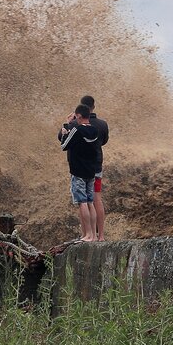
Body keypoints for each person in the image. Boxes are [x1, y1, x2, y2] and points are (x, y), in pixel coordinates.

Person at [59, 104, 101, 241]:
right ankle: (93, 235)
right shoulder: (95, 130)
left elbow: (64, 146)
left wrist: (66, 127)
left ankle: (88, 234)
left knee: (82, 202)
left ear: (77, 116)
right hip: (91, 171)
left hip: (78, 171)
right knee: (90, 202)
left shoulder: (77, 129)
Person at [79, 95, 110, 240]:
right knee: (97, 199)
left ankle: (86, 235)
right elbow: (104, 141)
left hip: (81, 168)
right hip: (97, 166)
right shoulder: (102, 124)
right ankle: (101, 236)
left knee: (84, 201)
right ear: (94, 107)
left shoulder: (78, 124)